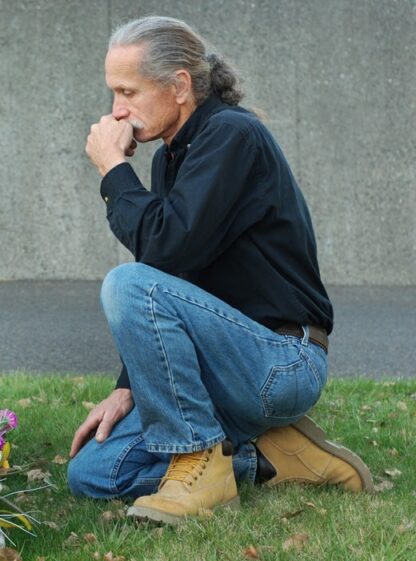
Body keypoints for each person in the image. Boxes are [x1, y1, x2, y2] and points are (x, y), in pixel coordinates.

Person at [67, 15, 373, 525]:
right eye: (112, 93)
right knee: (94, 472)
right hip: (224, 365)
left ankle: (200, 462)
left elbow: (166, 249)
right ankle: (271, 456)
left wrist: (114, 173)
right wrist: (127, 385)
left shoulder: (233, 135)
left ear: (180, 86)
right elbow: (173, 279)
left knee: (125, 282)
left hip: (281, 362)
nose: (116, 110)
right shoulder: (171, 157)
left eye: (127, 91)